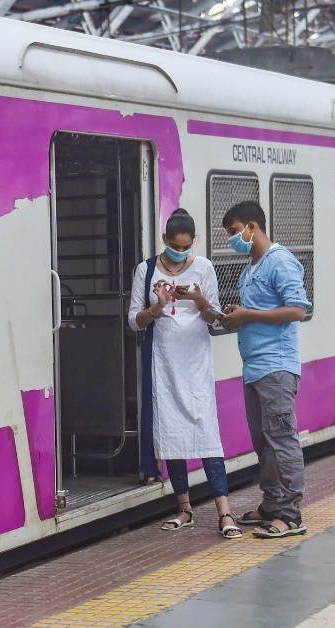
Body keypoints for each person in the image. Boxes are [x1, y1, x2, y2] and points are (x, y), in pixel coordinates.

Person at [128, 208, 242, 540]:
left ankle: (225, 513)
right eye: (176, 245)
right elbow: (133, 321)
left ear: (193, 243)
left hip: (196, 363)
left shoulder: (204, 267)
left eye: (187, 246)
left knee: (207, 434)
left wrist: (198, 298)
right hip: (162, 362)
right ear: (164, 240)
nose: (181, 251)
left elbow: (215, 317)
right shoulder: (145, 270)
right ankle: (184, 508)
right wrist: (157, 307)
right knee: (172, 436)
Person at [219, 200, 312, 539]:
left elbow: (298, 310)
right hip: (255, 368)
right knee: (265, 442)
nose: (233, 239)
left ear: (251, 228)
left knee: (282, 440)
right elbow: (255, 310)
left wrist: (250, 316)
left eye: (234, 232)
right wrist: (234, 316)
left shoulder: (279, 261)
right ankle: (272, 504)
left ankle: (290, 515)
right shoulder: (251, 266)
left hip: (276, 367)